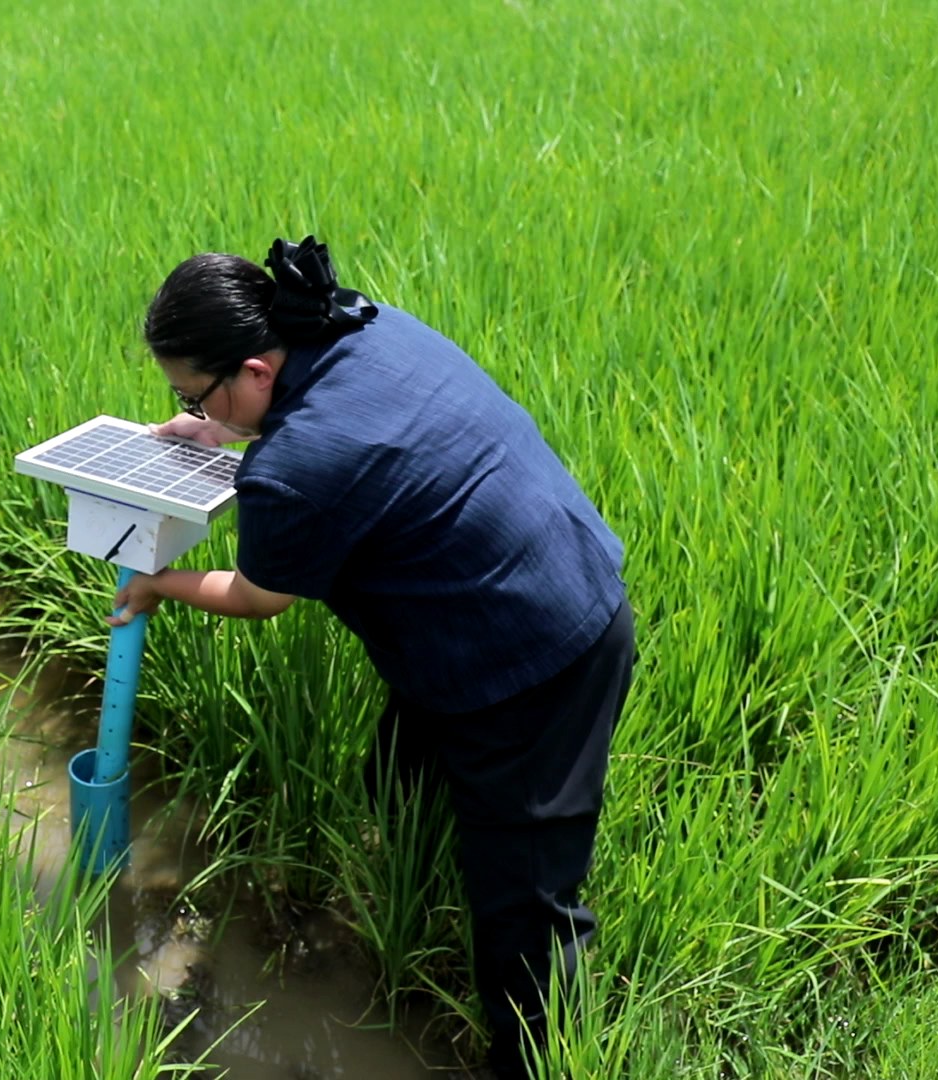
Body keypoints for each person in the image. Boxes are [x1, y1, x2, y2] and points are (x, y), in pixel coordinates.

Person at [106, 236, 637, 1078]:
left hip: (540, 655)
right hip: (502, 599)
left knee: (527, 908)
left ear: (253, 369)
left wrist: (157, 584)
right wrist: (213, 427)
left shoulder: (290, 470)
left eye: (192, 396)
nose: (190, 412)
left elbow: (256, 595)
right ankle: (406, 916)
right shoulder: (356, 327)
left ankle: (537, 1059)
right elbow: (349, 447)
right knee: (395, 779)